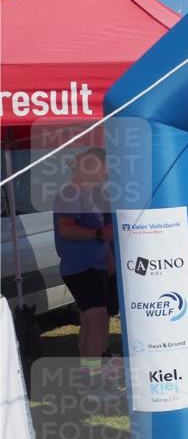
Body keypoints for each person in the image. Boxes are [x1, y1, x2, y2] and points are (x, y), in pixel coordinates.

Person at [53, 147, 116, 363]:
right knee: (97, 321)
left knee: (91, 321)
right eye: (102, 171)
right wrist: (99, 233)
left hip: (92, 265)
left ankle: (90, 375)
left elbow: (100, 232)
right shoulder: (71, 193)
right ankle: (93, 379)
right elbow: (66, 228)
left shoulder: (88, 194)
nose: (104, 175)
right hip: (81, 267)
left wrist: (107, 256)